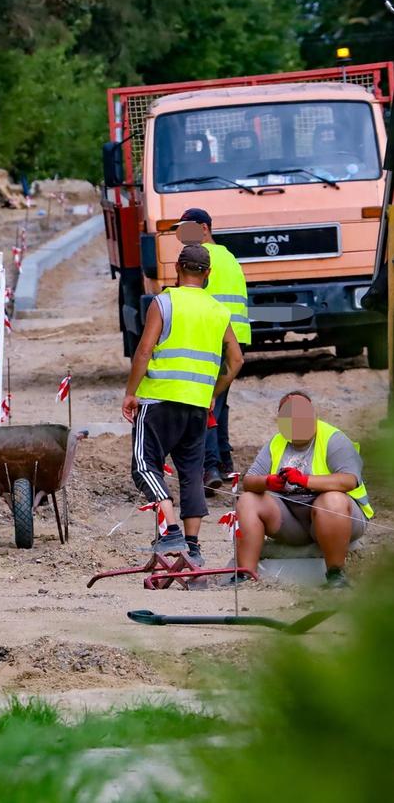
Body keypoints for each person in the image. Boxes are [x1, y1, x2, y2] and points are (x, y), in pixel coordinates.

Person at [122, 244, 244, 564]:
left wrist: (130, 392)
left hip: (159, 399)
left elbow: (144, 350)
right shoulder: (218, 311)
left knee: (145, 466)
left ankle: (171, 531)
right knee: (192, 472)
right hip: (197, 406)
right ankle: (193, 546)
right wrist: (213, 392)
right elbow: (236, 360)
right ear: (208, 274)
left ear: (177, 268)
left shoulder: (164, 302)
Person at [235, 391, 372, 589]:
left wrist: (304, 480)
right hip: (293, 522)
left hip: (342, 518)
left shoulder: (334, 439)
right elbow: (249, 481)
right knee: (248, 500)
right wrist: (268, 482)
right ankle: (245, 576)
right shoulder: (276, 442)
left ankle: (336, 575)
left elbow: (349, 480)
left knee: (331, 500)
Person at [173, 208, 251, 495]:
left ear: (204, 228)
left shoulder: (199, 260)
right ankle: (224, 462)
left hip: (210, 339)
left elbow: (192, 301)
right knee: (219, 403)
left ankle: (210, 468)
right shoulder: (230, 258)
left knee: (202, 405)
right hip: (235, 340)